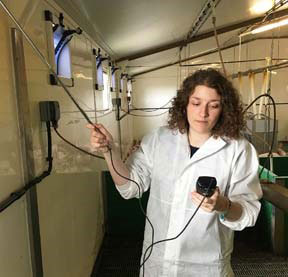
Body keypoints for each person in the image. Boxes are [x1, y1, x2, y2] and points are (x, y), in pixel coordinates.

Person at [87, 68, 262, 277]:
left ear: (224, 109)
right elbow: (129, 187)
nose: (202, 113)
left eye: (213, 106)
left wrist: (223, 205)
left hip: (206, 266)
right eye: (196, 103)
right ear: (185, 103)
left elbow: (249, 211)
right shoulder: (159, 139)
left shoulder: (238, 150)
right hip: (158, 262)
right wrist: (109, 151)